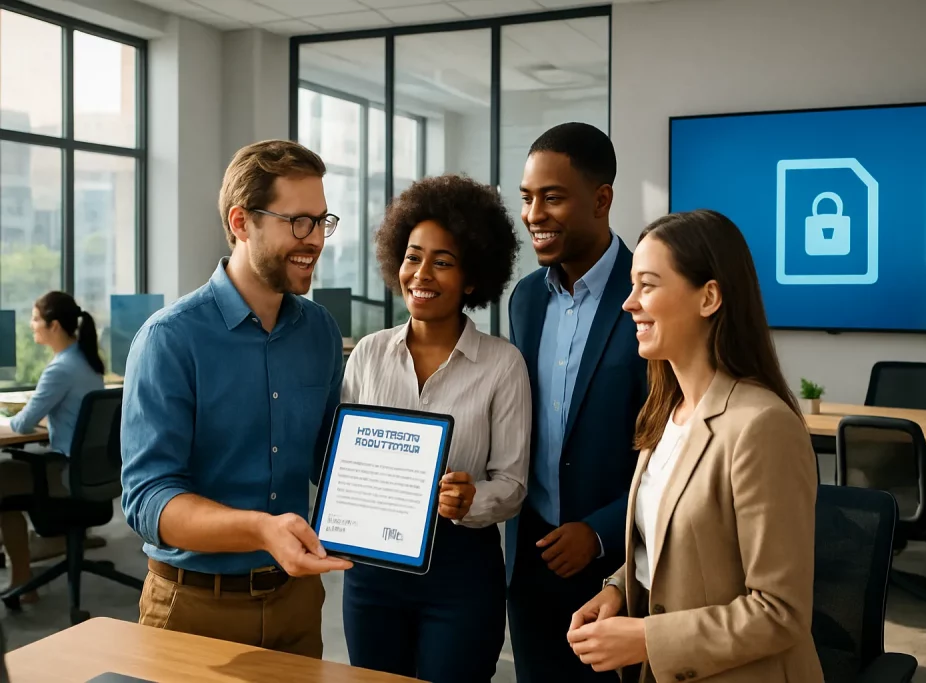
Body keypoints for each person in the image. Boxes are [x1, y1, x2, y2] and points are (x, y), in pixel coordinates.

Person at [567, 210, 822, 683]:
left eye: (647, 285)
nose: (629, 303)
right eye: (631, 286)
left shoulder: (762, 427)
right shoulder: (668, 412)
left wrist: (648, 638)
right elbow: (669, 540)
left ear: (708, 297)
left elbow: (781, 611)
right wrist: (620, 587)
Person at [120, 140, 352, 658]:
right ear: (242, 222)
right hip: (194, 606)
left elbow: (329, 458)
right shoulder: (169, 339)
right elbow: (148, 500)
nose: (315, 240)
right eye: (298, 222)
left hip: (296, 601)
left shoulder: (320, 331)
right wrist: (260, 530)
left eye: (321, 221)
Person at [340, 174, 531, 682]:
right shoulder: (368, 354)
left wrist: (472, 500)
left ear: (471, 278)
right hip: (372, 574)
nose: (421, 274)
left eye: (443, 262)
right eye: (413, 257)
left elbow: (512, 484)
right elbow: (341, 458)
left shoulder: (502, 365)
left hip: (460, 574)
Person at [506, 122, 648, 683]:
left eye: (552, 198)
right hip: (531, 558)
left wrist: (599, 531)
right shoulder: (525, 299)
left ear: (601, 199)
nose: (533, 214)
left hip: (619, 567)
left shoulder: (647, 296)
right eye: (527, 198)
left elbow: (669, 447)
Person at [2, 292, 105, 602]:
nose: (31, 325)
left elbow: (21, 425)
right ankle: (43, 554)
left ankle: (23, 580)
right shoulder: (87, 362)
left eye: (36, 319)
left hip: (66, 474)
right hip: (93, 472)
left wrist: (12, 417)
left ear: (54, 326)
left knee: (2, 479)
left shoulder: (61, 369)